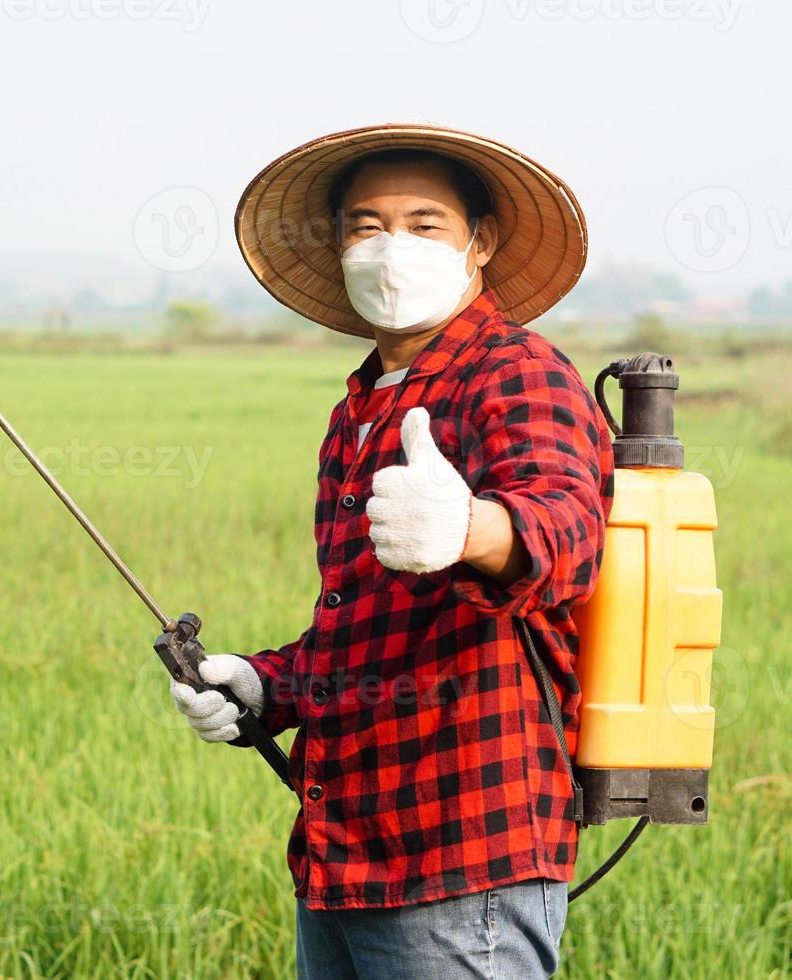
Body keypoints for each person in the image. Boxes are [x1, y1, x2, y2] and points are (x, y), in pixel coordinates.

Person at [169, 124, 614, 979]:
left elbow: (568, 531)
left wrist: (471, 527)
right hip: (345, 853)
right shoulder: (361, 409)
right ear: (340, 246)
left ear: (478, 243)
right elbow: (367, 632)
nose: (390, 247)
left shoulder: (516, 372)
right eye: (366, 226)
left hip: (463, 847)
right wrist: (267, 685)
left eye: (424, 224)